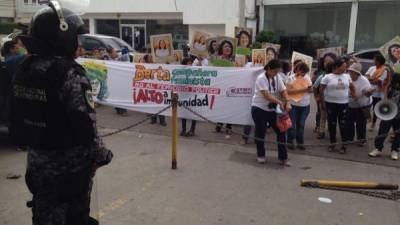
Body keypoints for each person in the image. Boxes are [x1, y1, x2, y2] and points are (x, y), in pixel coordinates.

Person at [10, 3, 112, 225]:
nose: (78, 44)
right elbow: (86, 126)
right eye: (76, 37)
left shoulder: (24, 69)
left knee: (43, 214)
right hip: (70, 171)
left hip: (36, 165)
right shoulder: (71, 74)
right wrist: (102, 155)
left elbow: (16, 119)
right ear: (62, 37)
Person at [251, 59, 291, 166]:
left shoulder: (277, 77)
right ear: (268, 68)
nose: (276, 74)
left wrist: (287, 101)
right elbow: (266, 95)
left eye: (278, 71)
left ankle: (283, 158)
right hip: (259, 108)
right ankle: (261, 155)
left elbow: (283, 91)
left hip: (272, 109)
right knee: (261, 131)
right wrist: (279, 102)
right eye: (274, 71)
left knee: (281, 131)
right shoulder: (261, 78)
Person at [319, 58, 356, 154]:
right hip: (330, 104)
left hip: (343, 104)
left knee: (343, 125)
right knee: (332, 124)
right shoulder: (327, 77)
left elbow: (352, 87)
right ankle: (332, 143)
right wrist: (322, 103)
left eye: (345, 66)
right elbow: (321, 90)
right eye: (343, 66)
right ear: (336, 67)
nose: (346, 67)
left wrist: (354, 95)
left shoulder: (347, 76)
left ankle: (344, 145)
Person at [369, 66, 400, 160]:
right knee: (382, 131)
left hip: (399, 115)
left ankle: (394, 150)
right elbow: (385, 93)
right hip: (389, 112)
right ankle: (378, 148)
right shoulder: (391, 84)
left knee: (398, 133)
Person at [286, 62, 312, 150]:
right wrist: (303, 89)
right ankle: (290, 141)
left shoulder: (307, 77)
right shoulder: (290, 78)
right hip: (293, 105)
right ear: (297, 70)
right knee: (292, 125)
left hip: (305, 105)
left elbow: (310, 90)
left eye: (305, 72)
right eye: (302, 72)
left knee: (301, 125)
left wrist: (310, 89)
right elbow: (288, 92)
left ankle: (300, 142)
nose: (304, 74)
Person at [346, 63, 373, 146]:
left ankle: (361, 140)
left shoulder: (364, 81)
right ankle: (349, 138)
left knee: (360, 123)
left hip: (362, 104)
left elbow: (367, 92)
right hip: (350, 103)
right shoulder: (347, 77)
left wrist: (368, 92)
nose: (350, 73)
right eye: (349, 71)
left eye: (352, 72)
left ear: (357, 73)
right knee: (349, 122)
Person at [313, 53, 337, 138]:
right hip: (324, 101)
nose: (326, 63)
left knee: (328, 117)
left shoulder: (338, 76)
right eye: (325, 61)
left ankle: (325, 130)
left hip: (333, 101)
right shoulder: (322, 76)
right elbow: (315, 87)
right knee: (323, 116)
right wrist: (317, 97)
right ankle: (322, 131)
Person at [366, 54, 388, 131]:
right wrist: (371, 79)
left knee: (375, 108)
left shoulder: (384, 70)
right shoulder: (372, 68)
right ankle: (369, 118)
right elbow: (366, 76)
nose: (373, 61)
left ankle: (373, 123)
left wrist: (371, 79)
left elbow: (379, 82)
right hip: (369, 90)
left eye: (374, 59)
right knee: (366, 107)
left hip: (377, 92)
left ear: (378, 61)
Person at [180, 57, 197, 136]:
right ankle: (183, 129)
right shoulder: (181, 72)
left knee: (194, 114)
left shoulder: (194, 71)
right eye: (188, 63)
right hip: (184, 95)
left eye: (191, 63)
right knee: (184, 114)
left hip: (193, 95)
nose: (190, 64)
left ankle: (192, 130)